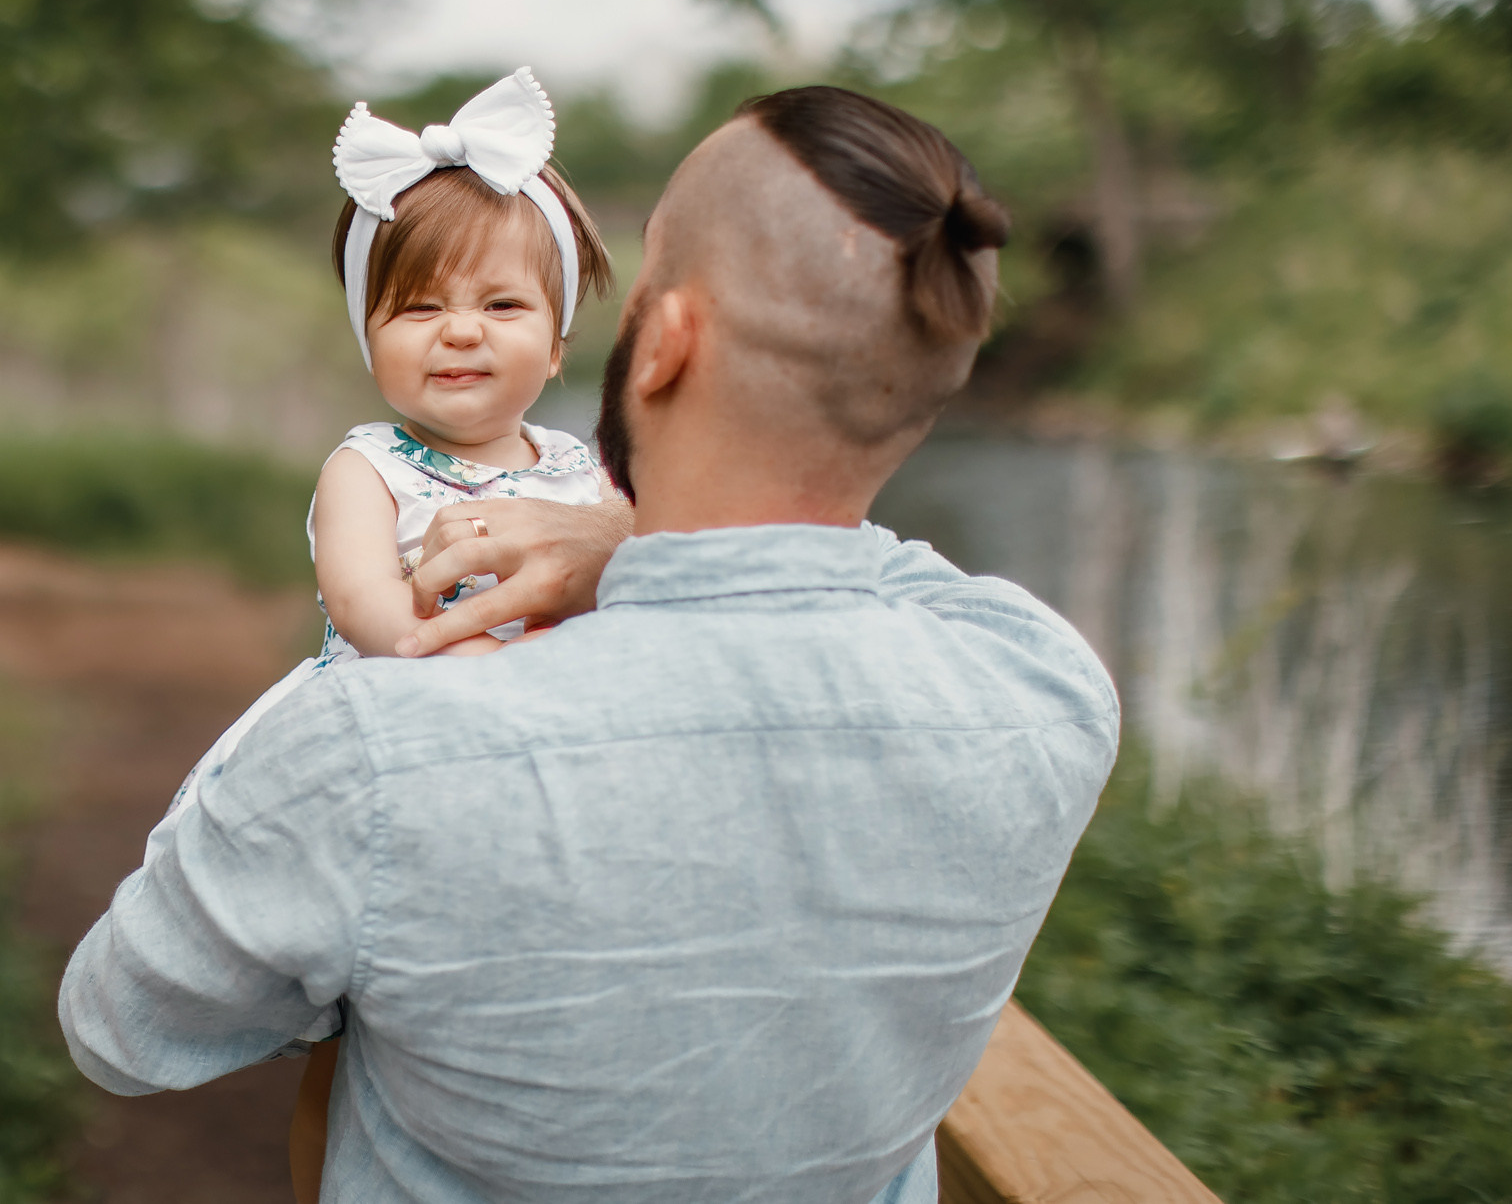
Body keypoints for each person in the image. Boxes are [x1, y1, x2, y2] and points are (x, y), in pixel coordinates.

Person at [58, 86, 1121, 1204]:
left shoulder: (377, 757)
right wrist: (621, 543)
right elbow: (872, 568)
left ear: (661, 342)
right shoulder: (1043, 684)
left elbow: (121, 1029)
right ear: (928, 387)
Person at [146, 70, 619, 1198]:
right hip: (394, 763)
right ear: (371, 335)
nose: (459, 330)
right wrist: (485, 662)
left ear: (555, 346)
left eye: (501, 307)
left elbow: (625, 589)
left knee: (514, 1016)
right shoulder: (367, 466)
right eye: (418, 307)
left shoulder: (585, 474)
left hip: (551, 777)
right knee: (364, 1031)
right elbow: (369, 604)